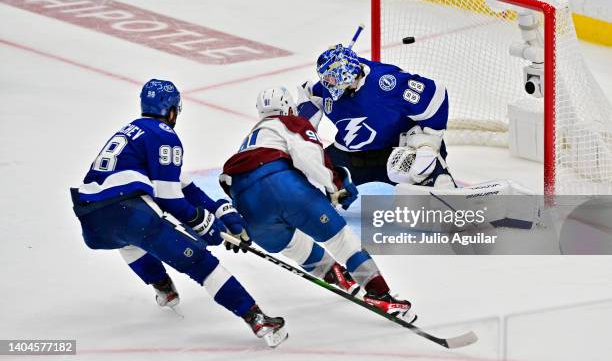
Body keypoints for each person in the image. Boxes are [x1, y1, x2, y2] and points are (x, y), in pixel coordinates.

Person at [70, 79, 288, 347]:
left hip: (91, 221)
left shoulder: (133, 132)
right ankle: (257, 318)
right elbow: (169, 198)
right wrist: (204, 224)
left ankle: (163, 289)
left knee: (128, 241)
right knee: (200, 263)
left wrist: (224, 213)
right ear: (172, 111)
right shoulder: (164, 134)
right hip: (127, 211)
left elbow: (185, 187)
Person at [219, 87, 416, 323]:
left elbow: (225, 181)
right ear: (288, 106)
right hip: (281, 185)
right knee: (341, 240)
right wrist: (336, 187)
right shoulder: (290, 121)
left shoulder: (249, 139)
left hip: (245, 203)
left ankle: (331, 272)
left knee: (292, 245)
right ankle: (380, 293)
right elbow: (309, 155)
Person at [297, 43, 456, 188]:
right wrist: (303, 114)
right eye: (325, 78)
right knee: (306, 177)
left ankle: (440, 185)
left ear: (345, 73)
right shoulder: (329, 87)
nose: (327, 83)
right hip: (351, 157)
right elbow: (314, 97)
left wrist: (428, 144)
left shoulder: (386, 82)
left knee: (436, 184)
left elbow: (436, 96)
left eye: (331, 78)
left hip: (395, 153)